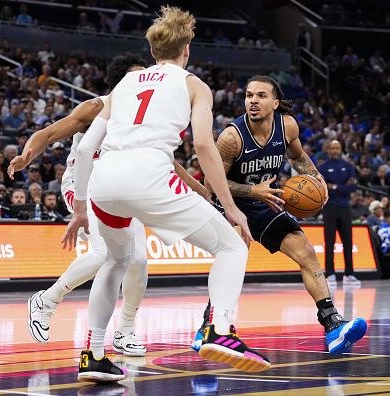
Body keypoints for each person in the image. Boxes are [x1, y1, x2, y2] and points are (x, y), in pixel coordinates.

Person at [62, 7, 271, 381]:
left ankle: (92, 356)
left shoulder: (124, 85)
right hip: (150, 175)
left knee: (114, 260)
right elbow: (205, 146)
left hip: (104, 181)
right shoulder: (194, 84)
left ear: (154, 49)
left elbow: (81, 151)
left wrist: (79, 208)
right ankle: (220, 329)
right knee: (232, 246)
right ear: (186, 48)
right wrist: (230, 208)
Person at [8, 54, 206, 361]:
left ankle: (125, 331)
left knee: (138, 260)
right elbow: (46, 133)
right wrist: (26, 156)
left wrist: (196, 186)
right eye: (135, 76)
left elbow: (164, 158)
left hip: (120, 189)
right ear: (119, 83)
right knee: (103, 255)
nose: (143, 81)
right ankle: (46, 300)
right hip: (83, 187)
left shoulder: (143, 118)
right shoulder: (96, 107)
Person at [191, 75, 367, 355]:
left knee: (306, 252)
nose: (253, 101)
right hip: (233, 203)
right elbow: (213, 184)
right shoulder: (231, 137)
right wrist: (251, 191)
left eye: (261, 96)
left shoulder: (287, 126)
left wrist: (315, 176)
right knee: (235, 253)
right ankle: (208, 327)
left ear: (275, 102)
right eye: (249, 95)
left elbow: (297, 157)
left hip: (266, 201)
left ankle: (332, 325)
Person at [318, 140, 359, 285]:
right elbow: (323, 188)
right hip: (329, 208)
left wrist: (334, 187)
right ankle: (330, 274)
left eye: (337, 148)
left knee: (348, 242)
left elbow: (353, 188)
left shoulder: (348, 166)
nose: (335, 150)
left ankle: (349, 273)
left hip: (345, 208)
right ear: (328, 150)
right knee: (329, 242)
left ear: (341, 149)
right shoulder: (323, 167)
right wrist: (342, 187)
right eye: (332, 148)